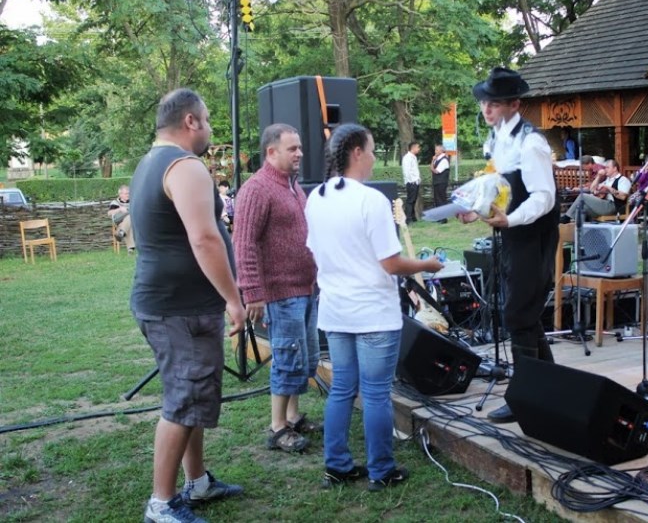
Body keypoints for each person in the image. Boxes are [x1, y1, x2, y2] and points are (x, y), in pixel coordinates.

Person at [305, 123, 443, 491]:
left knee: (342, 389)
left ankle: (337, 466)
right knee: (376, 392)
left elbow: (316, 252)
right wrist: (427, 265)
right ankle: (381, 471)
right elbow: (391, 263)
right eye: (370, 150)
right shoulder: (371, 200)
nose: (373, 157)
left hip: (335, 310)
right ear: (356, 153)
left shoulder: (316, 197)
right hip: (372, 314)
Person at [130, 88, 246, 523]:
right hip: (178, 309)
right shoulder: (184, 166)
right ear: (191, 121)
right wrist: (233, 299)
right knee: (183, 399)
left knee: (191, 395)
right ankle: (161, 504)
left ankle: (196, 482)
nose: (211, 128)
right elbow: (204, 238)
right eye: (208, 119)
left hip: (172, 304)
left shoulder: (149, 162)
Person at [458, 67, 560, 423]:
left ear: (514, 104)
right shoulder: (497, 138)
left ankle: (525, 396)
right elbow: (497, 186)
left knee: (518, 312)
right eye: (484, 102)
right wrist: (476, 209)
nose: (486, 109)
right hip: (512, 233)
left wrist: (510, 220)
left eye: (495, 103)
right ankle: (548, 388)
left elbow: (544, 197)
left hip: (533, 236)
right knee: (522, 313)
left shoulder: (531, 144)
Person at [233, 123, 320, 454]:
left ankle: (293, 417)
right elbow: (243, 244)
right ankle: (277, 427)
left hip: (305, 288)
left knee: (303, 357)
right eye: (292, 148)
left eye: (299, 147)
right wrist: (253, 293)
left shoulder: (292, 186)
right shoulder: (257, 189)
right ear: (271, 152)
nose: (300, 153)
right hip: (280, 293)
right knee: (286, 358)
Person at [562, 159, 630, 222]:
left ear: (615, 168)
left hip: (613, 206)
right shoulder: (608, 180)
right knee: (581, 207)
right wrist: (598, 176)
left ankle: (567, 217)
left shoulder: (623, 180)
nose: (605, 169)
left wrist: (608, 188)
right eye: (605, 168)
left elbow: (623, 196)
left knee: (583, 196)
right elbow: (592, 189)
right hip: (603, 204)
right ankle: (579, 229)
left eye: (607, 167)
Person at [109, 185, 135, 254]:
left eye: (129, 193)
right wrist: (120, 209)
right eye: (126, 193)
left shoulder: (132, 201)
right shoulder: (115, 202)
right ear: (120, 194)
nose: (128, 195)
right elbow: (109, 213)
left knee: (129, 222)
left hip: (128, 223)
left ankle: (121, 233)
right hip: (118, 220)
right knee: (129, 216)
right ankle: (121, 232)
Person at [401, 141, 421, 223]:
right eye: (418, 147)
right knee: (410, 200)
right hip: (411, 182)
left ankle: (413, 217)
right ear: (413, 148)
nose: (419, 149)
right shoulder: (407, 158)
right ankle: (408, 218)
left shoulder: (413, 157)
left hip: (415, 182)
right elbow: (407, 171)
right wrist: (411, 181)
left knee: (413, 200)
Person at [430, 144, 450, 215]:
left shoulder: (444, 160)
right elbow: (432, 168)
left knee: (441, 199)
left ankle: (443, 216)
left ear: (441, 151)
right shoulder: (437, 159)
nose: (435, 151)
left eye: (437, 150)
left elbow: (436, 171)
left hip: (441, 182)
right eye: (435, 150)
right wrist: (433, 161)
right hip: (437, 182)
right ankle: (439, 215)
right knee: (437, 199)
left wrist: (432, 165)